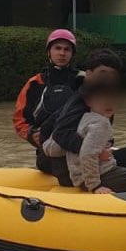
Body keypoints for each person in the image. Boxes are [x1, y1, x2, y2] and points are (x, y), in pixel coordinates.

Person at [42, 47, 126, 190]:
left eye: (112, 74)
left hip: (88, 160)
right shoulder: (81, 100)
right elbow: (60, 133)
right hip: (76, 169)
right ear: (89, 74)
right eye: (102, 73)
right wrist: (96, 153)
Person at [44, 81, 126, 194]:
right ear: (88, 102)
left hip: (81, 175)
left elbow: (57, 149)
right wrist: (95, 186)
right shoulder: (101, 123)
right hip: (99, 174)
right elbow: (87, 154)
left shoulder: (82, 118)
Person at [13, 29, 81, 169]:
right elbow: (20, 119)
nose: (62, 53)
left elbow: (101, 112)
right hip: (48, 152)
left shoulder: (83, 80)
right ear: (49, 52)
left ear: (72, 54)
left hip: (78, 149)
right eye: (57, 48)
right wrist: (31, 135)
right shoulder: (35, 83)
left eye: (67, 49)